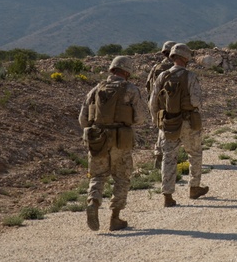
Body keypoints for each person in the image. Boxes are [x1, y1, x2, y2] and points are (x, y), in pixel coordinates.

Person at [78, 55, 148, 231]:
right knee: (121, 177)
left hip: (97, 139)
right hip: (120, 139)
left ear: (112, 69)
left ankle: (93, 202)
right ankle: (115, 218)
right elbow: (140, 119)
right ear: (127, 71)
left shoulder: (95, 89)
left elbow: (83, 119)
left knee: (98, 175)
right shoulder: (131, 89)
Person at [149, 44, 207, 207]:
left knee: (169, 158)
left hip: (168, 122)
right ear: (185, 58)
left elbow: (153, 101)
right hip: (188, 122)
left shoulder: (162, 76)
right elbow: (195, 101)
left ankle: (167, 195)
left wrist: (157, 121)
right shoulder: (190, 76)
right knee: (194, 154)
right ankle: (194, 188)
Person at [145, 40, 176, 169]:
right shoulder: (177, 69)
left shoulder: (156, 67)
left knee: (161, 128)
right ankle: (166, 157)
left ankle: (158, 152)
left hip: (157, 104)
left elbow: (148, 85)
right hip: (172, 105)